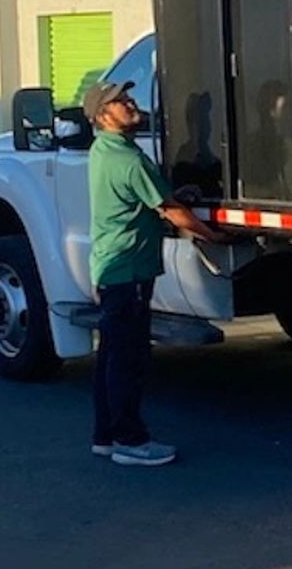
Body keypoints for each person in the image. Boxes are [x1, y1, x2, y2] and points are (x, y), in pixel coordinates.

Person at [83, 80, 223, 467]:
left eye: (128, 97)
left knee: (111, 355)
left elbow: (152, 198)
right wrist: (214, 236)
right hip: (128, 272)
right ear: (102, 116)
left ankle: (106, 436)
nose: (130, 104)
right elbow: (172, 211)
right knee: (129, 358)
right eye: (120, 102)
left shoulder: (104, 151)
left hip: (111, 269)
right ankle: (130, 440)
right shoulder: (127, 160)